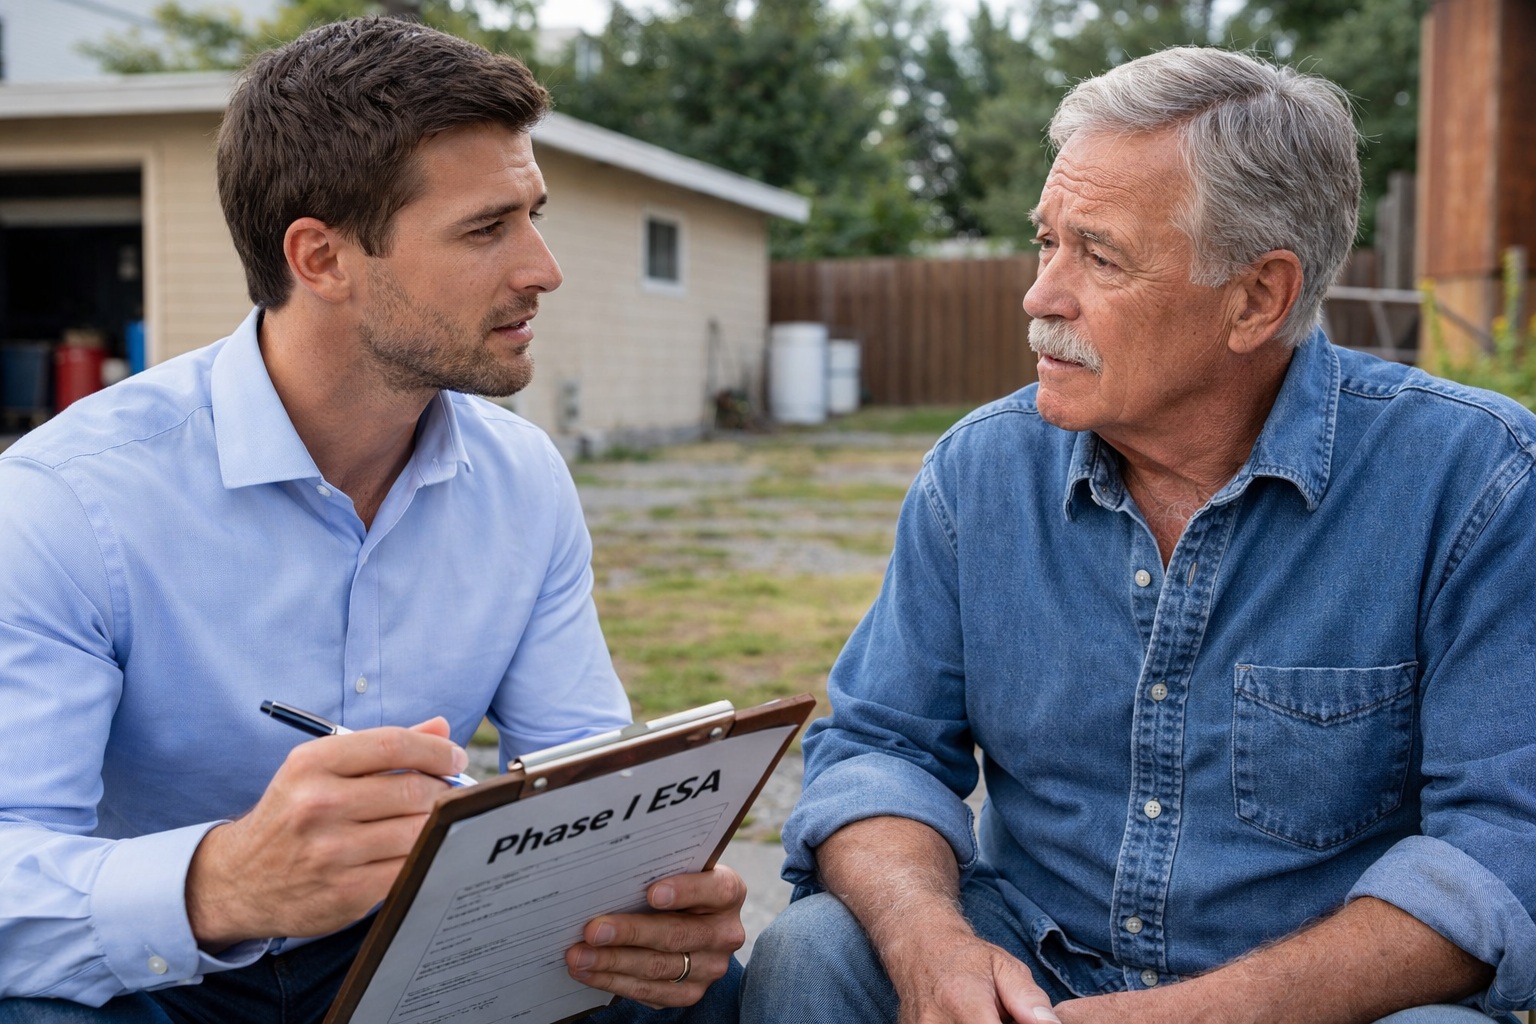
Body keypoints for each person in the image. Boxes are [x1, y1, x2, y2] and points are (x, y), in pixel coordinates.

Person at [740, 46, 1536, 1024]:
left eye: (1099, 255)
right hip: (1027, 972)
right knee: (812, 952)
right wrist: (932, 947)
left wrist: (1197, 1016)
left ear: (1258, 298)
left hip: (1313, 1003)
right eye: (1046, 242)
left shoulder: (1477, 481)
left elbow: (1504, 844)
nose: (1041, 296)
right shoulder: (978, 474)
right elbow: (879, 749)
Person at [0, 17, 745, 1023]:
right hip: (168, 978)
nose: (543, 267)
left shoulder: (521, 476)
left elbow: (584, 765)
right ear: (319, 257)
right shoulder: (68, 500)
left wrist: (645, 896)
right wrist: (219, 882)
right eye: (487, 228)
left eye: (534, 213)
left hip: (426, 944)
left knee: (700, 992)